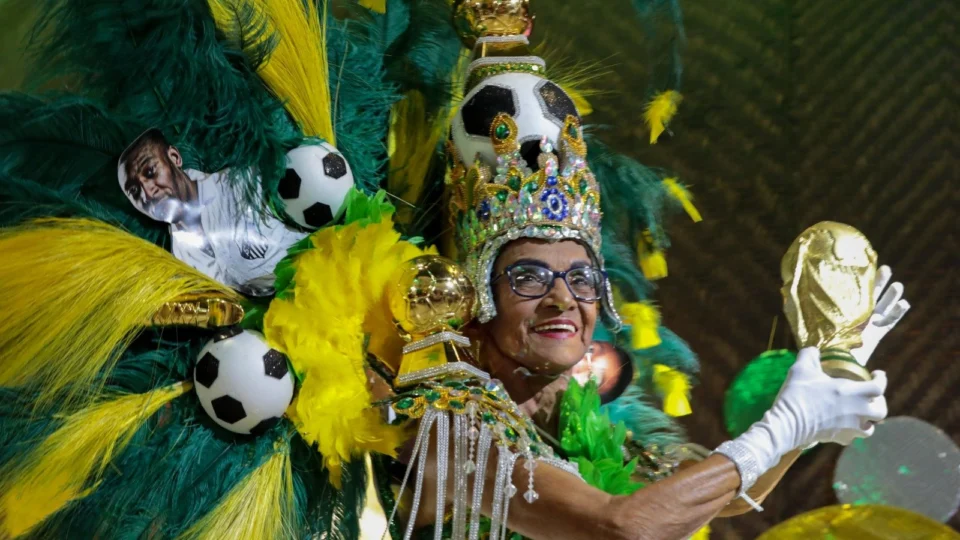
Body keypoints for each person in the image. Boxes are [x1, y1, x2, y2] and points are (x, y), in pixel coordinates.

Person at [118, 129, 305, 296]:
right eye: (134, 191)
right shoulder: (180, 263)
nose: (148, 193)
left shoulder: (244, 184)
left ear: (175, 157)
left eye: (150, 172)